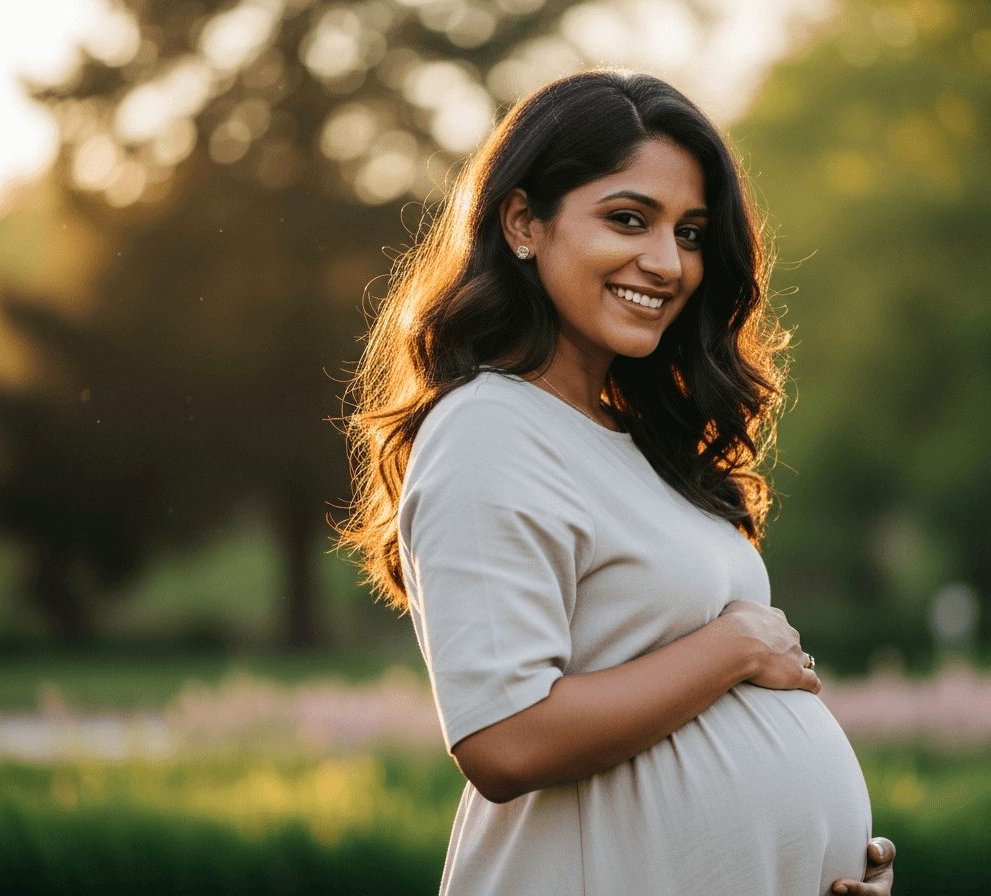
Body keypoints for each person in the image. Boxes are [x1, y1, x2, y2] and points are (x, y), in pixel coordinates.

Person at [342, 69, 895, 896]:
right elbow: (504, 741)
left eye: (691, 233)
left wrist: (826, 860)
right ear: (524, 222)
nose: (667, 263)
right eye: (628, 219)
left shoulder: (644, 444)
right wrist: (735, 647)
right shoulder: (489, 427)